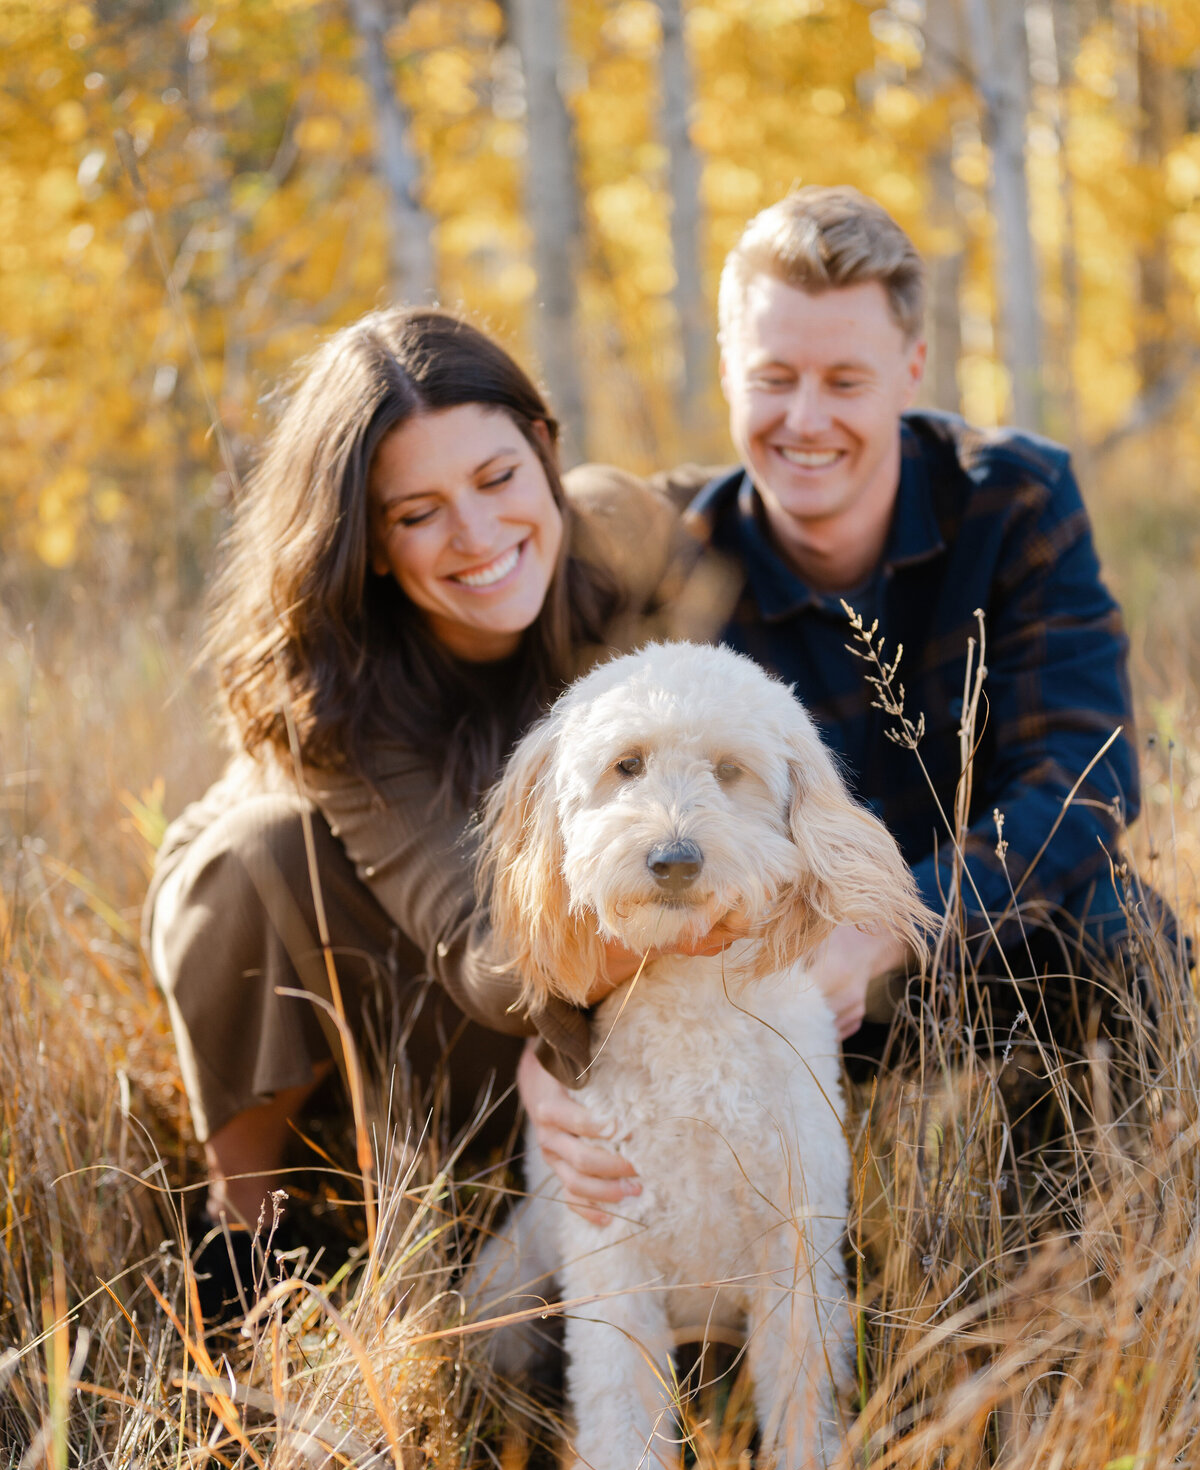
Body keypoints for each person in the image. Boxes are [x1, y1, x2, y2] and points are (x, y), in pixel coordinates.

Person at [520, 184, 1158, 1215]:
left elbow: (1083, 781)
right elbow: (569, 829)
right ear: (728, 368)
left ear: (911, 370)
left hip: (962, 936)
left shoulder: (1016, 498)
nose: (804, 420)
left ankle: (1072, 1256)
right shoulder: (668, 556)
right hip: (740, 972)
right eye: (773, 377)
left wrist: (889, 924)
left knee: (1121, 926)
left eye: (844, 380)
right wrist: (548, 1041)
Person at [145, 308, 734, 1237]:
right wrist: (635, 960)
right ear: (370, 540)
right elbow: (485, 957)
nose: (477, 534)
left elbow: (751, 512)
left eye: (498, 477)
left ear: (543, 446)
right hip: (349, 936)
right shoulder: (331, 688)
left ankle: (531, 1175)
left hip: (534, 957)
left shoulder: (616, 526)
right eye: (418, 514)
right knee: (256, 852)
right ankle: (247, 1229)